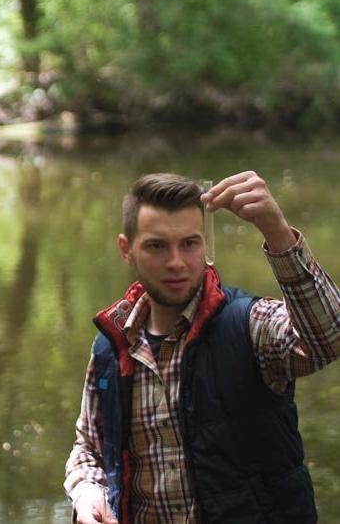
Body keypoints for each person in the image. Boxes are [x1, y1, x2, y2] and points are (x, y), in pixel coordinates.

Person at [64, 171, 340, 523]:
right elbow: (88, 450)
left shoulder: (249, 325)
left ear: (205, 245)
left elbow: (328, 339)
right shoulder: (110, 346)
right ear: (126, 250)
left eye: (189, 244)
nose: (176, 261)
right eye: (156, 246)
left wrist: (278, 233)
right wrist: (89, 494)